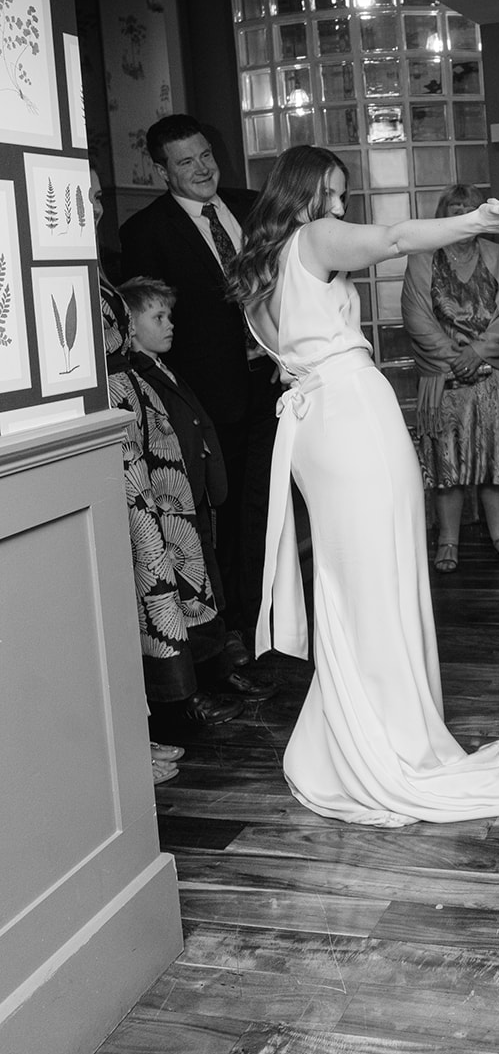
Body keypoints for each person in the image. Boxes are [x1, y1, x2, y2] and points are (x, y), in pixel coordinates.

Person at [228, 145, 499, 827]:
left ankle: (354, 730)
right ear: (309, 189)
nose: (342, 207)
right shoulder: (314, 236)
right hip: (352, 417)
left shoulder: (259, 269)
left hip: (313, 429)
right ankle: (393, 740)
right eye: (335, 192)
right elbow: (395, 239)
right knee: (382, 573)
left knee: (353, 582)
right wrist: (485, 217)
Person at [91, 171, 242, 769]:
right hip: (120, 432)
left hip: (144, 433)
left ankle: (187, 693)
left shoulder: (94, 266)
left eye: (103, 193)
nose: (99, 205)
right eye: (93, 193)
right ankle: (165, 708)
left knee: (179, 563)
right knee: (149, 571)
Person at [120, 114, 275, 660]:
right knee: (224, 514)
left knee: (271, 505)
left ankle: (274, 616)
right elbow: (150, 331)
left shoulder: (255, 206)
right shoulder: (144, 233)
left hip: (278, 384)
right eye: (186, 162)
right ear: (162, 171)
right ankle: (234, 628)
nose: (203, 168)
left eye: (206, 155)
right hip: (212, 400)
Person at [122, 275, 278, 701]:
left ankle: (219, 671)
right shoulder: (136, 378)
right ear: (130, 326)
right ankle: (200, 684)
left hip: (196, 495)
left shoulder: (163, 366)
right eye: (158, 316)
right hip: (175, 502)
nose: (170, 324)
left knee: (208, 584)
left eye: (169, 315)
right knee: (190, 590)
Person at [401, 184, 499, 572]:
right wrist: (456, 358)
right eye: (456, 209)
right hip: (444, 382)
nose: (465, 215)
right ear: (445, 216)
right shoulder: (422, 259)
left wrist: (478, 352)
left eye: (471, 208)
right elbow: (416, 317)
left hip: (489, 380)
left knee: (496, 463)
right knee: (446, 469)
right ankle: (448, 541)